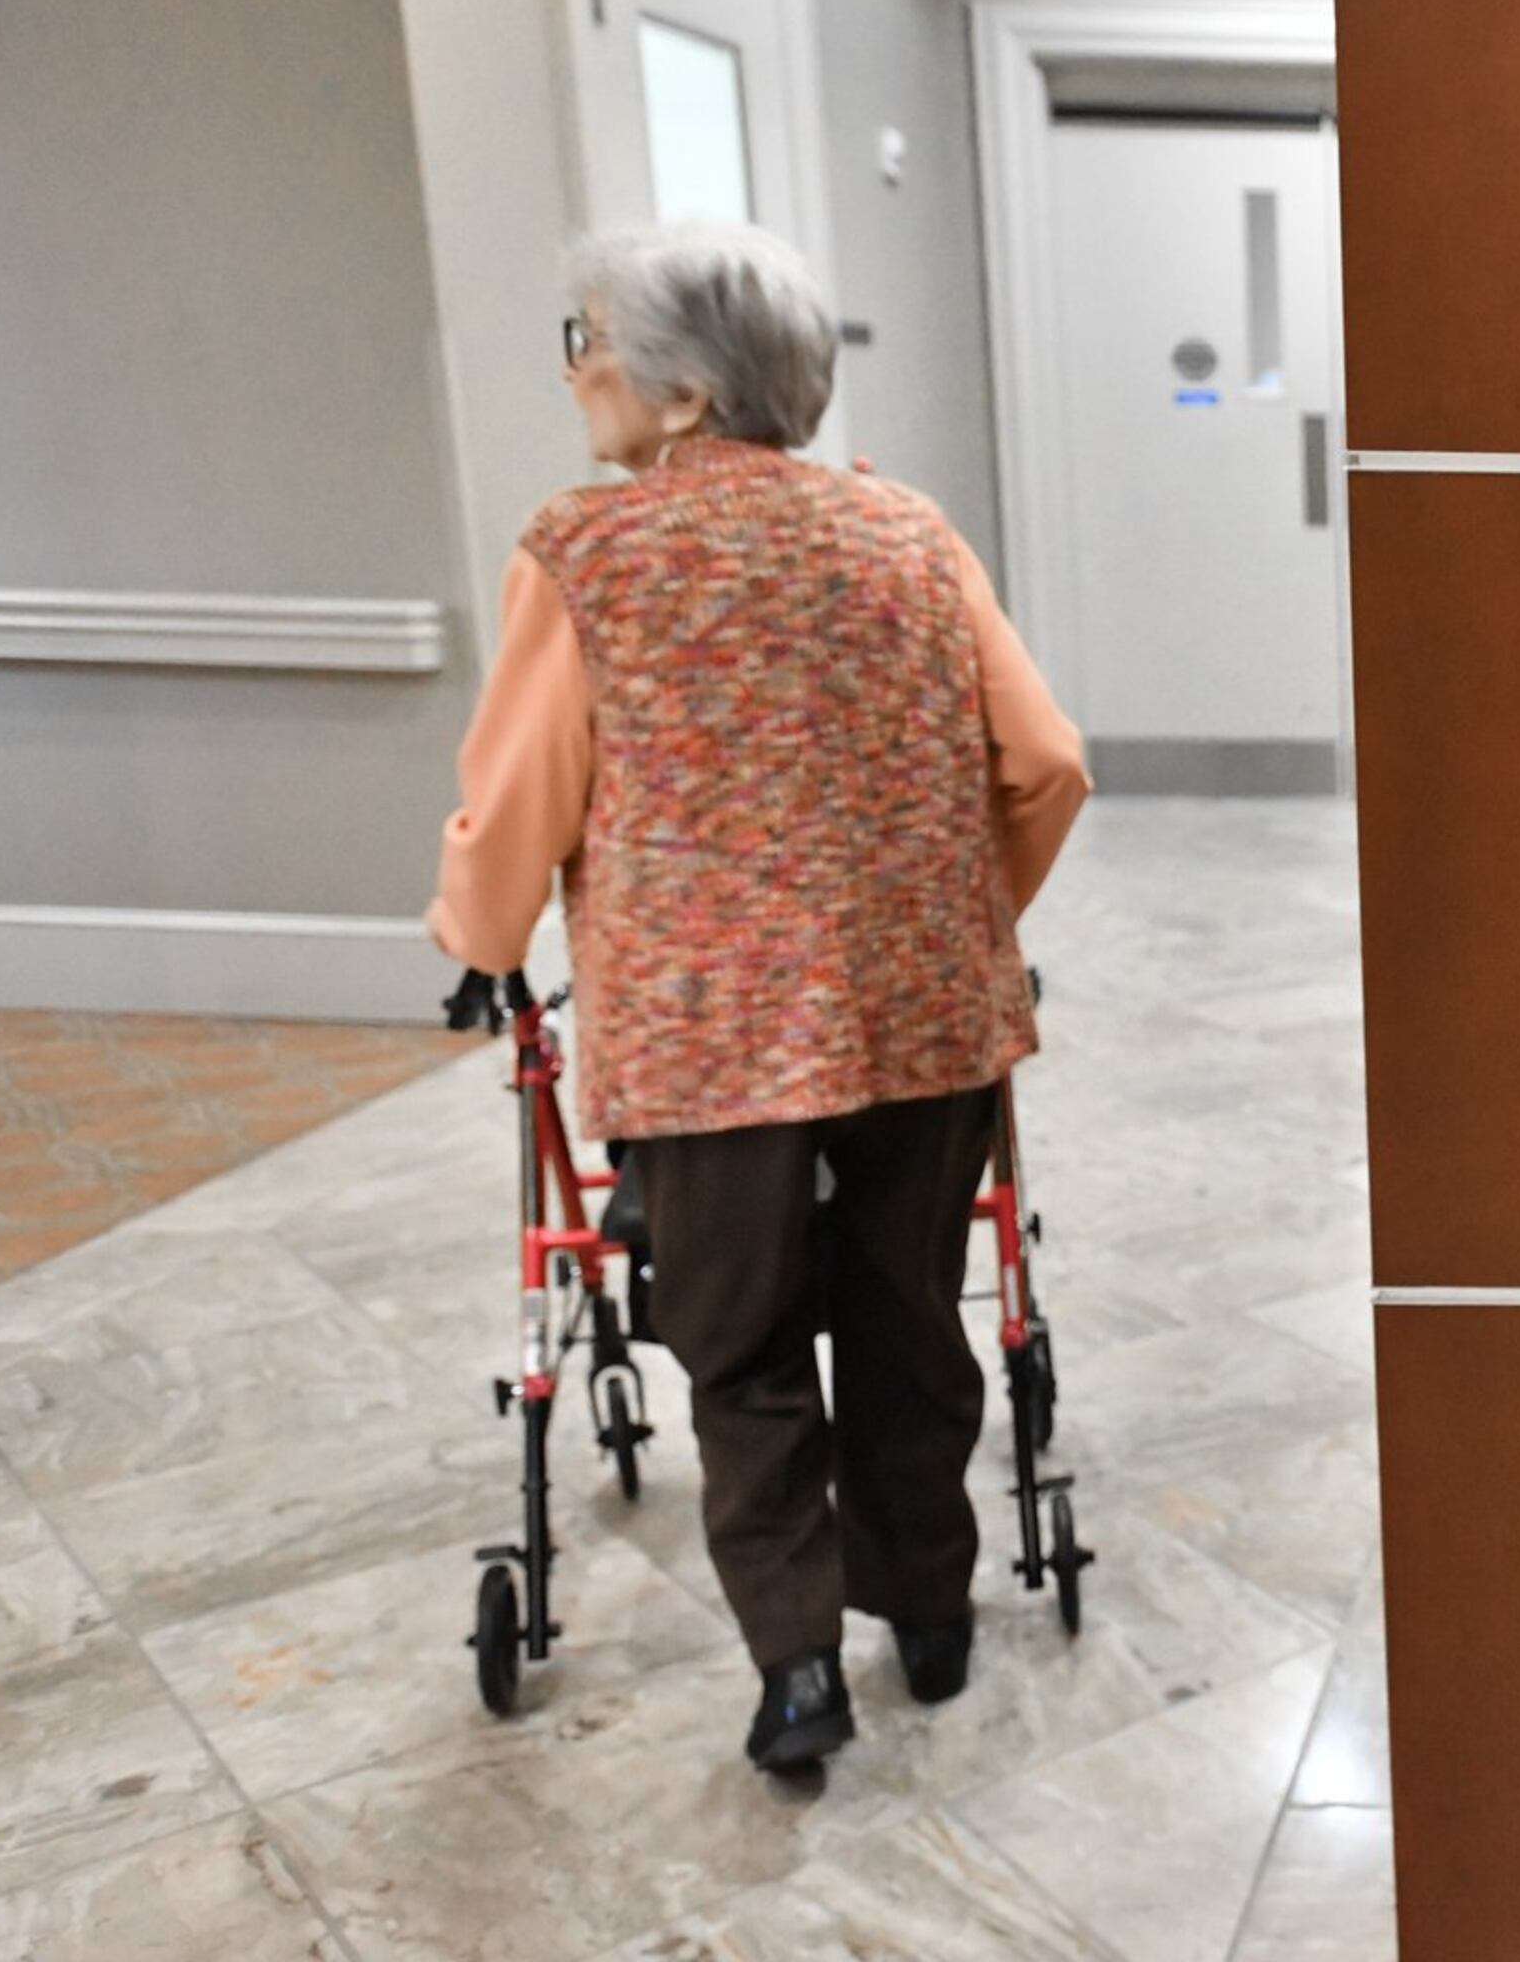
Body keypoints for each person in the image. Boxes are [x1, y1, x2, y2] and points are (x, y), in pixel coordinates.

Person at [426, 220, 1091, 1771]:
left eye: (588, 336)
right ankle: (929, 1615)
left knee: (740, 1345)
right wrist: (964, 912)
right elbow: (1047, 764)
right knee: (912, 1316)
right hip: (923, 1014)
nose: (578, 367)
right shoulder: (911, 536)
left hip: (705, 1040)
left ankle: (797, 1670)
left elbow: (521, 799)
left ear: (680, 391)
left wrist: (479, 929)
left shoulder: (586, 553)